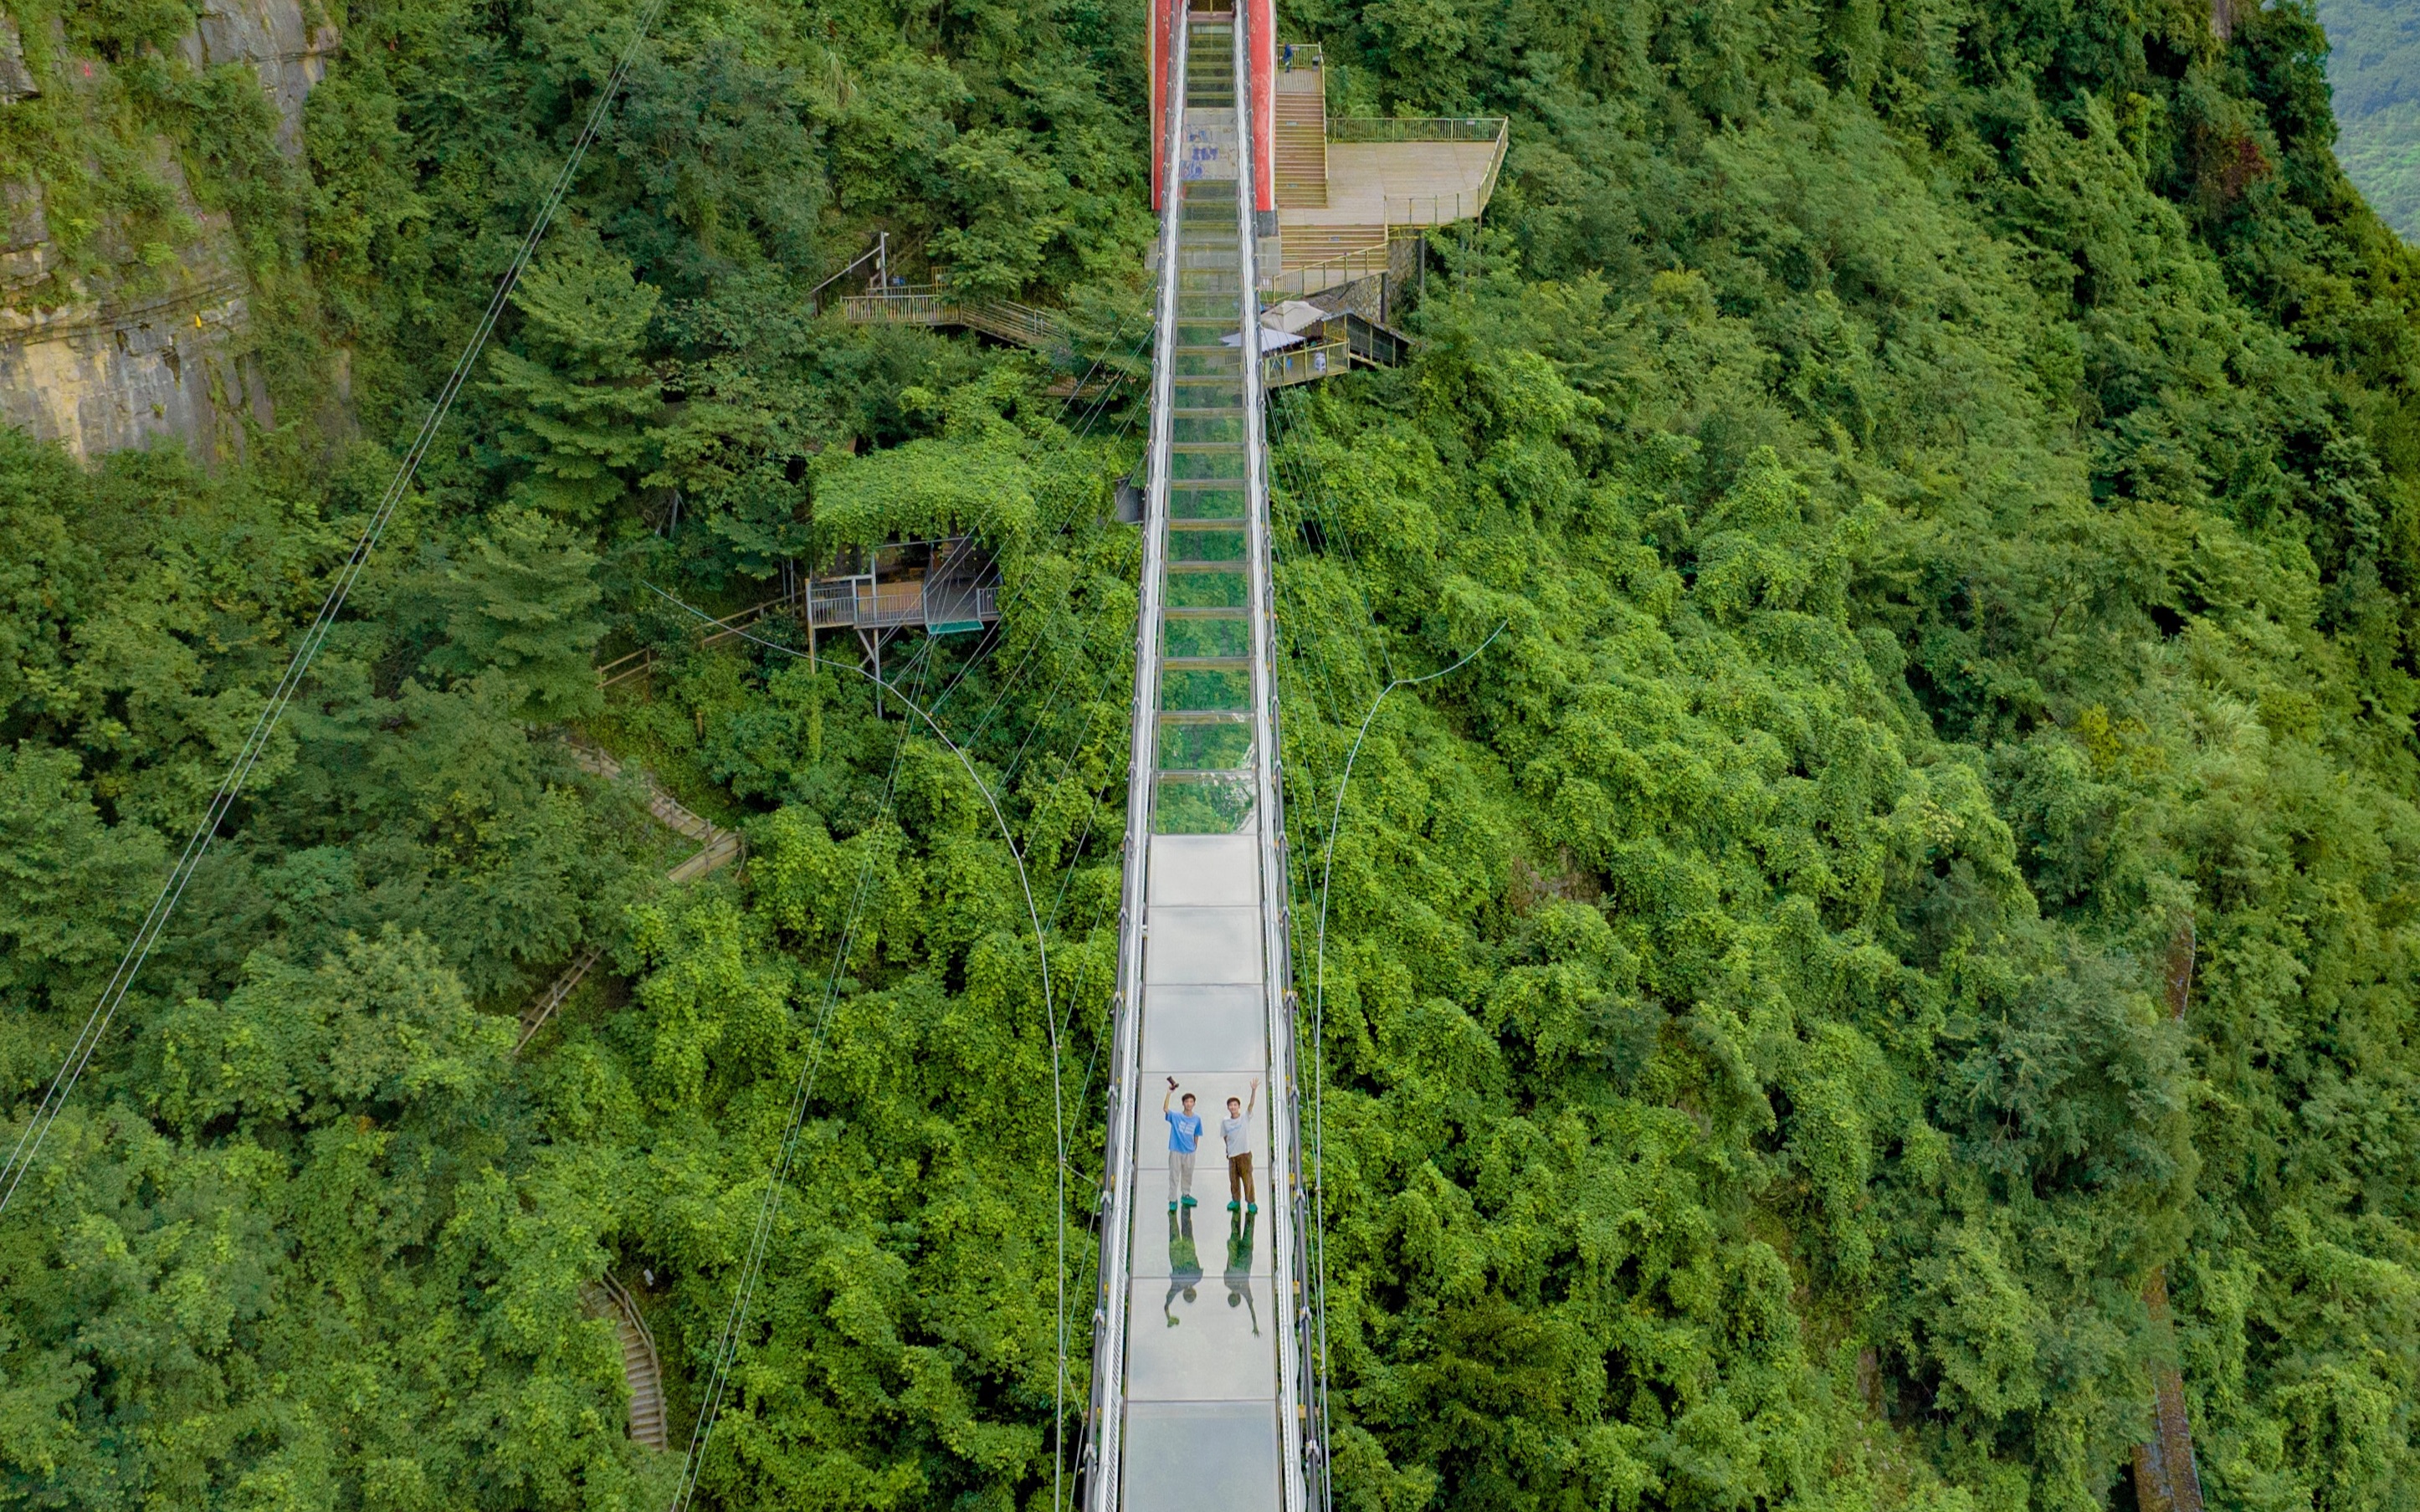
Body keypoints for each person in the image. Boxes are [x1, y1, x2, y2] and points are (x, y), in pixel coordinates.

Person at [1163, 1078, 1202, 1211]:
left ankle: (1186, 1195)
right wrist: (1169, 1093)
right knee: (1174, 1175)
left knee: (1188, 1174)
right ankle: (1173, 1199)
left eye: (1191, 1102)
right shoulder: (1176, 1116)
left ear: (1194, 1104)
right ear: (1183, 1103)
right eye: (1187, 1102)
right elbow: (1166, 1109)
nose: (1189, 1104)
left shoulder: (1197, 1119)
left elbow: (1197, 1133)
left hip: (1189, 1151)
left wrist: (1195, 1146)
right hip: (1176, 1150)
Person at [1223, 1078, 1259, 1213]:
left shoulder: (1244, 1117)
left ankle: (1251, 1202)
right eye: (1231, 1105)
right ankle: (1235, 1200)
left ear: (1238, 1106)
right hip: (1232, 1155)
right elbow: (1225, 1136)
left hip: (1244, 1154)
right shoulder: (1225, 1122)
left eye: (1235, 1105)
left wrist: (1253, 1091)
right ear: (1228, 1107)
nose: (1233, 1107)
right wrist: (1227, 1149)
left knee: (1247, 1179)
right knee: (1233, 1180)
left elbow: (1251, 1106)